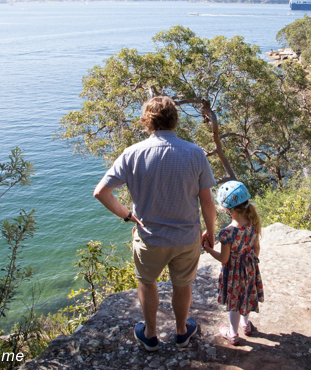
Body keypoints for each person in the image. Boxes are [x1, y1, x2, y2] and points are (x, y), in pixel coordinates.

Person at [93, 96, 217, 351]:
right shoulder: (195, 153)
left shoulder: (132, 153)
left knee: (147, 282)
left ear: (147, 121)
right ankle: (182, 332)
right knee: (182, 285)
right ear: (175, 120)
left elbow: (101, 193)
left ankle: (150, 335)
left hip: (149, 237)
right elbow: (206, 201)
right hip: (186, 237)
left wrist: (128, 215)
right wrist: (211, 232)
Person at [202, 180, 264, 346]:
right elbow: (256, 248)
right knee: (245, 296)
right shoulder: (254, 224)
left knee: (234, 302)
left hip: (234, 272)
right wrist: (250, 263)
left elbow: (224, 259)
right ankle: (245, 324)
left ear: (227, 209)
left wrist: (208, 249)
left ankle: (233, 333)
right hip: (250, 268)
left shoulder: (227, 233)